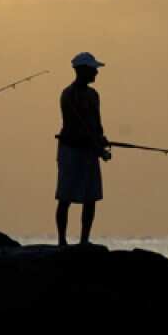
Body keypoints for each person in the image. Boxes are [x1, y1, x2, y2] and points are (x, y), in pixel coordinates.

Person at [55, 52, 110, 247]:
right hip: (71, 150)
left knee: (91, 196)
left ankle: (84, 240)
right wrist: (98, 147)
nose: (96, 72)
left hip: (89, 150)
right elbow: (79, 124)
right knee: (65, 196)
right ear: (82, 70)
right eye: (93, 69)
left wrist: (101, 140)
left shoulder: (94, 95)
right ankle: (62, 241)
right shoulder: (68, 95)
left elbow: (96, 124)